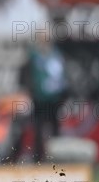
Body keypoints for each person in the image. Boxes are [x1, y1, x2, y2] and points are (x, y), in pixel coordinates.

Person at [22, 32, 68, 163]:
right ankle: (38, 158)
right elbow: (28, 75)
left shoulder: (56, 55)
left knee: (55, 129)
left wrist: (63, 94)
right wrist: (30, 91)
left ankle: (57, 158)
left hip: (54, 99)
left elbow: (62, 76)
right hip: (39, 99)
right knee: (38, 129)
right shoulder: (34, 56)